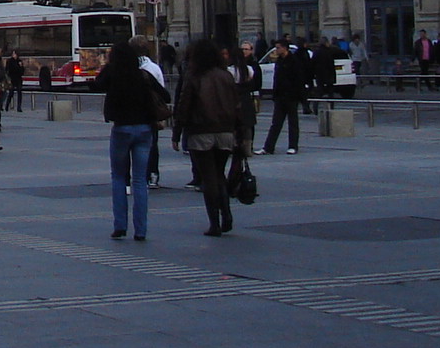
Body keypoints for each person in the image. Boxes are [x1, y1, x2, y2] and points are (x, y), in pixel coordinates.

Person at [173, 38, 245, 237]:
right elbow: (237, 106)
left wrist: (177, 132)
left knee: (208, 177)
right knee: (220, 173)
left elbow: (184, 105)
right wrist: (240, 132)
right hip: (225, 131)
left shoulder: (194, 77)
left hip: (201, 131)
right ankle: (227, 214)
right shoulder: (226, 76)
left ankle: (214, 222)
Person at [98, 42, 167, 241]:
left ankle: (120, 225)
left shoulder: (113, 74)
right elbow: (164, 95)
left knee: (119, 177)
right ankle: (141, 229)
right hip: (144, 129)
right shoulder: (143, 75)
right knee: (139, 180)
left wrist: (110, 66)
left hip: (121, 129)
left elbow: (97, 83)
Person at [262, 40, 307, 155]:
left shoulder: (294, 61)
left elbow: (299, 80)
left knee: (293, 122)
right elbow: (277, 79)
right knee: (276, 123)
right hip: (280, 96)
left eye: (278, 48)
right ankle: (268, 147)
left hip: (291, 96)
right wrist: (275, 94)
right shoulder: (279, 61)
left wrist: (299, 96)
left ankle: (293, 146)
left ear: (284, 48)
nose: (276, 50)